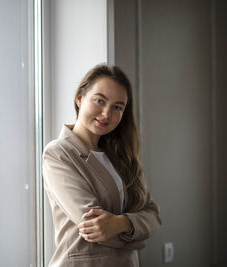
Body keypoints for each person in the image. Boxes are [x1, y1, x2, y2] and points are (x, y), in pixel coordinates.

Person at [42, 64, 161, 267]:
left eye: (117, 107)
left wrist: (122, 223)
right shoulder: (59, 154)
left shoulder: (121, 156)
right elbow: (94, 227)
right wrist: (137, 230)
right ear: (80, 99)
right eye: (99, 101)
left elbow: (153, 215)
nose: (106, 114)